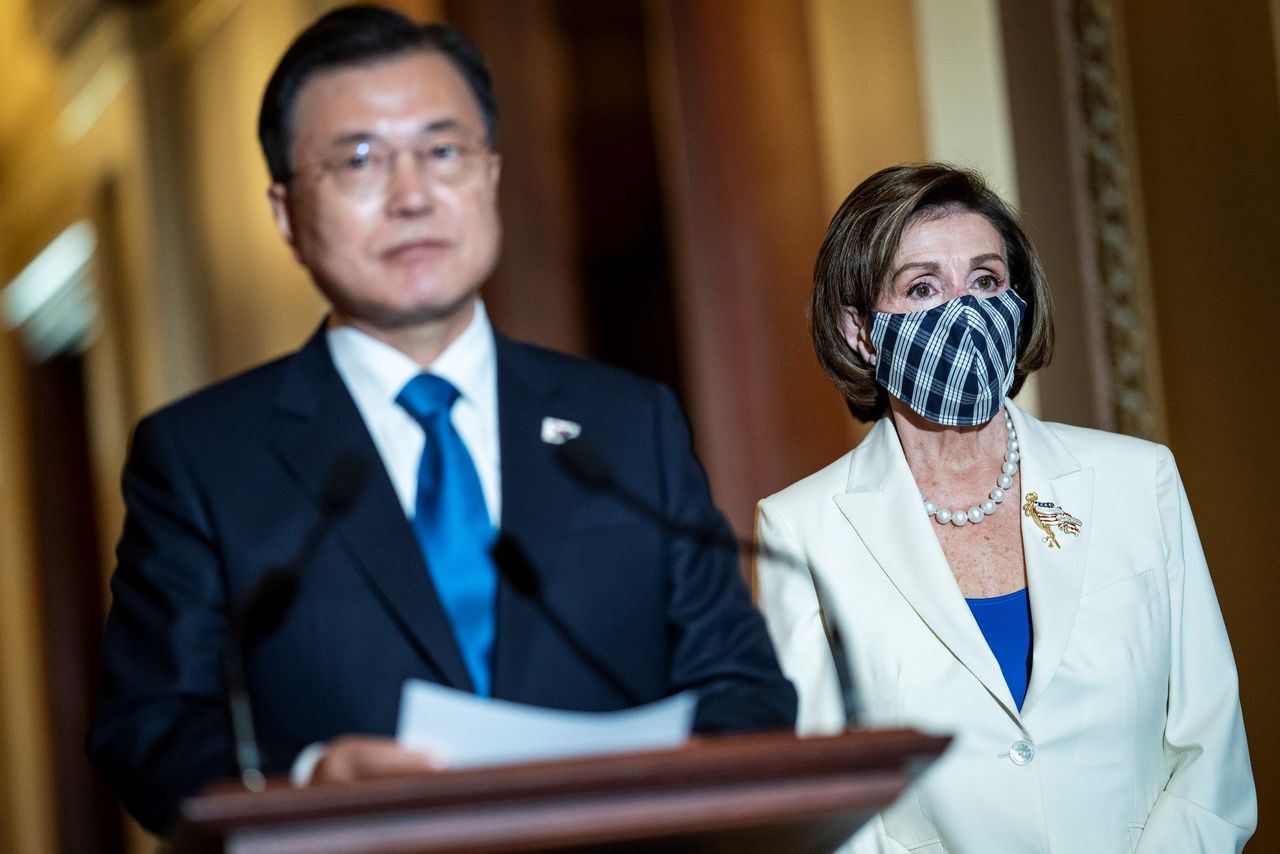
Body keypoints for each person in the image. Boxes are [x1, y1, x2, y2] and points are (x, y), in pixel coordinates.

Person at [88, 5, 794, 835]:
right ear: (285, 213)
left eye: (443, 151)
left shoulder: (626, 424)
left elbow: (743, 689)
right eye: (359, 161)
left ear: (489, 177)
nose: (412, 195)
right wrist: (308, 786)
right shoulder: (201, 457)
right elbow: (151, 734)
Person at [754, 163, 1255, 853]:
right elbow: (825, 803)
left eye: (986, 280)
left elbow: (1210, 753)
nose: (965, 310)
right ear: (860, 332)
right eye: (922, 287)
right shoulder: (803, 530)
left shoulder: (1139, 481)